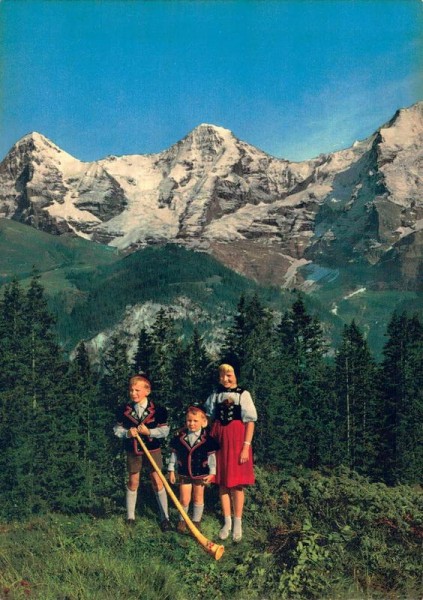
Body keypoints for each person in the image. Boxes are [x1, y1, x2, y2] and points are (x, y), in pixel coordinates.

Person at [204, 363, 257, 543]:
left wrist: (246, 446)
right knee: (223, 483)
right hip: (219, 440)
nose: (225, 379)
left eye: (229, 375)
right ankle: (226, 521)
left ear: (236, 375)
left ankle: (238, 522)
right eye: (221, 376)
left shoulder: (243, 394)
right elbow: (208, 418)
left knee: (236, 484)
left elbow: (250, 422)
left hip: (236, 441)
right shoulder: (216, 395)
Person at [114, 374, 171, 531]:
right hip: (133, 450)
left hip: (153, 450)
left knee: (157, 480)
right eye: (131, 390)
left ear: (147, 391)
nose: (133, 393)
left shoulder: (158, 410)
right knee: (133, 481)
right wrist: (127, 434)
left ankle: (164, 516)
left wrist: (149, 432)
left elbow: (165, 431)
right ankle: (130, 517)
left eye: (137, 390)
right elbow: (117, 429)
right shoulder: (124, 410)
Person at [168, 405, 219, 534]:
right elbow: (174, 454)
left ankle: (196, 521)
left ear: (204, 422)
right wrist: (171, 470)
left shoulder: (208, 439)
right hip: (184, 473)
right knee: (184, 499)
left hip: (200, 473)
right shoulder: (179, 438)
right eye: (189, 421)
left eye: (195, 421)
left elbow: (212, 458)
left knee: (198, 498)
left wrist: (212, 473)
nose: (191, 424)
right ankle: (182, 520)